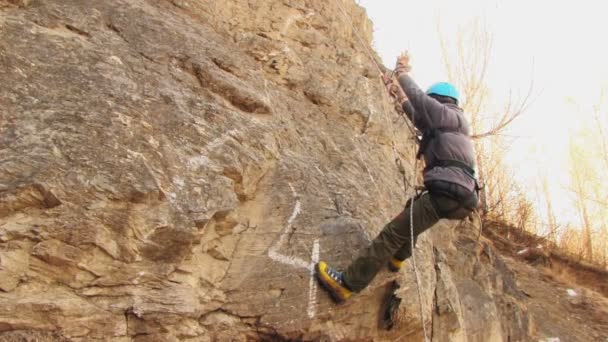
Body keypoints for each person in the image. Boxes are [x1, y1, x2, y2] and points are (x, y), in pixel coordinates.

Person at [315, 52, 480, 303]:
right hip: (461, 197)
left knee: (391, 233)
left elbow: (418, 98)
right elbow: (414, 111)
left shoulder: (448, 115)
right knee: (413, 212)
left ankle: (347, 284)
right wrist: (394, 90)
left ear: (440, 100)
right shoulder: (450, 124)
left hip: (447, 193)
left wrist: (401, 73)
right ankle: (398, 257)